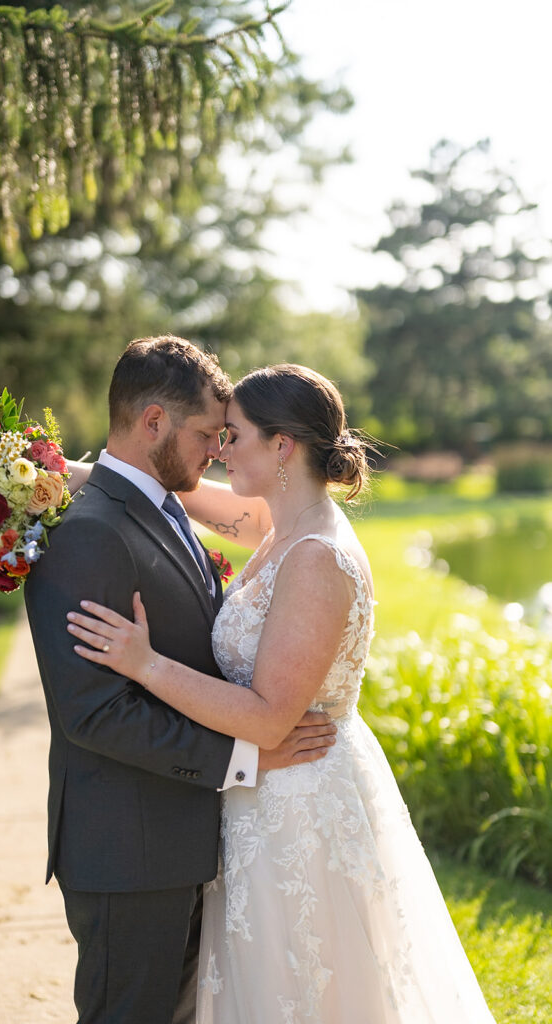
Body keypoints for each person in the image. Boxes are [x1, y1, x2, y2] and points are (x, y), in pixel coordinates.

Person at [66, 363, 496, 1023]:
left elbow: (269, 720)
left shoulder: (316, 558)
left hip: (298, 796)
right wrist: (69, 475)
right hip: (263, 796)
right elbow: (179, 496)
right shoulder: (279, 525)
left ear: (281, 446)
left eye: (232, 436)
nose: (217, 448)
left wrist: (144, 664)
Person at [24, 338, 337, 1024]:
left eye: (229, 435)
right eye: (206, 433)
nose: (216, 449)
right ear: (154, 424)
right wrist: (242, 758)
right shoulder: (90, 533)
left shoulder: (160, 507)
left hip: (180, 838)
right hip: (128, 849)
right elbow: (94, 712)